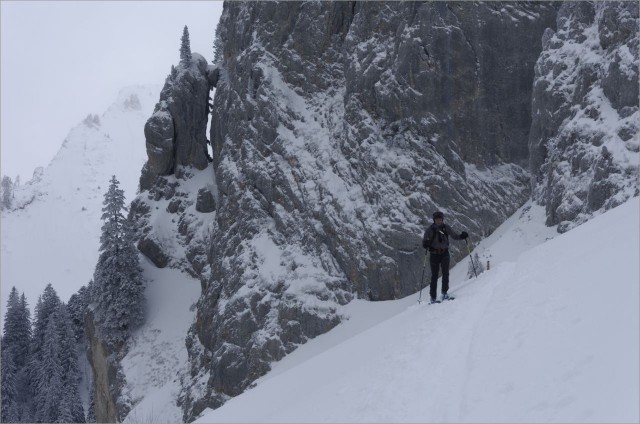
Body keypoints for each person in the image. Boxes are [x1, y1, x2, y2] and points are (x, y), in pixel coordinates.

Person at [422, 211, 469, 303]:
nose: (438, 220)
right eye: (437, 219)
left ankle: (444, 293)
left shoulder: (446, 228)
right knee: (434, 276)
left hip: (444, 253)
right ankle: (433, 297)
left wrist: (462, 236)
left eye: (440, 219)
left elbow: (454, 236)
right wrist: (426, 245)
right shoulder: (429, 230)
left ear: (442, 219)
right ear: (434, 220)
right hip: (434, 254)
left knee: (445, 273)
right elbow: (424, 243)